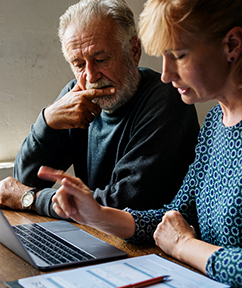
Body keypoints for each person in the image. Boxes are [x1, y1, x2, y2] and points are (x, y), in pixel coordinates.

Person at [35, 0, 242, 288]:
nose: (165, 74)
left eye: (179, 55)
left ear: (232, 45)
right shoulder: (217, 119)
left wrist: (184, 246)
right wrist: (95, 214)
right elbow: (173, 217)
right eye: (163, 56)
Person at [0, 0, 200, 217]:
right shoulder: (77, 97)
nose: (91, 76)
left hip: (149, 245)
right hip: (94, 235)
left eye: (101, 59)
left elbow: (124, 204)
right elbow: (24, 181)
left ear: (134, 51)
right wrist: (46, 121)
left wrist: (32, 199)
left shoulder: (167, 101)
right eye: (78, 64)